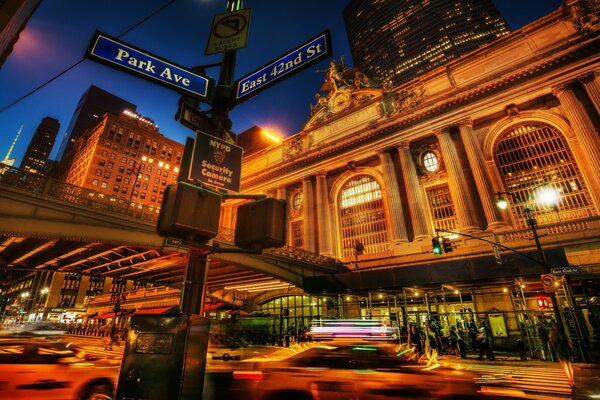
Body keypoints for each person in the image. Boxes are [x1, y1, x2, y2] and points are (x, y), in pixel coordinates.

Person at [548, 320, 575, 388]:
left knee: (566, 367)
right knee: (569, 366)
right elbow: (569, 342)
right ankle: (572, 381)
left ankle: (570, 381)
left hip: (560, 350)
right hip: (566, 349)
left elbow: (552, 343)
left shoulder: (553, 334)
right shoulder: (562, 332)